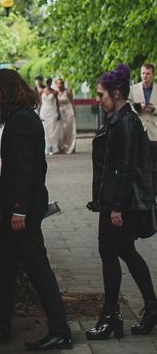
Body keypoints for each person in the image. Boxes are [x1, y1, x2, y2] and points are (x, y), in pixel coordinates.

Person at [0, 69, 72, 351]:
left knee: (39, 271)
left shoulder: (23, 121)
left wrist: (20, 211)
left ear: (8, 90)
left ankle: (61, 331)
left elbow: (26, 170)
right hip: (15, 212)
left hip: (22, 213)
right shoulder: (20, 117)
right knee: (3, 269)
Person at [86, 63, 157, 339]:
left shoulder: (126, 122)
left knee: (110, 252)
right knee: (124, 251)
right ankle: (148, 308)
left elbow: (127, 167)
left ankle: (111, 315)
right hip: (116, 201)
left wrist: (117, 206)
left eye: (100, 94)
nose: (98, 99)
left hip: (120, 204)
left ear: (116, 93)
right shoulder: (119, 119)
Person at [130, 63, 157, 193]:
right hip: (138, 130)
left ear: (153, 75)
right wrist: (137, 107)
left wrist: (154, 109)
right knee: (139, 162)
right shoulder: (133, 89)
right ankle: (141, 190)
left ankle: (153, 191)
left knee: (154, 164)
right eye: (143, 73)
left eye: (148, 73)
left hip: (154, 131)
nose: (145, 76)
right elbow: (126, 105)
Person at [40, 77, 61, 154]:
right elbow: (40, 103)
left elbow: (57, 103)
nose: (48, 83)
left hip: (52, 112)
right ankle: (47, 147)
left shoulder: (54, 92)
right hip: (44, 111)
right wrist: (39, 113)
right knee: (45, 130)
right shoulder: (42, 91)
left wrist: (58, 112)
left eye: (49, 82)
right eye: (46, 81)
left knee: (52, 130)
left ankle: (53, 147)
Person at [55, 78, 76, 154]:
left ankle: (71, 147)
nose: (59, 85)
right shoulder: (55, 92)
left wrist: (74, 111)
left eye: (60, 83)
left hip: (68, 110)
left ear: (63, 84)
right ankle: (62, 147)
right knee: (62, 130)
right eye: (57, 83)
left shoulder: (68, 91)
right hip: (60, 112)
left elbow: (72, 101)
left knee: (69, 129)